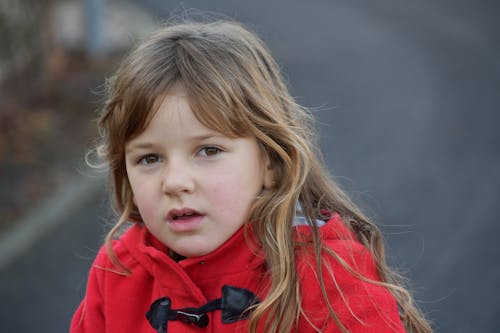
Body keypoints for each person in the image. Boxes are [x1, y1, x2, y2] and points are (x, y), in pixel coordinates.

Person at [70, 19, 432, 333]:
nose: (175, 181)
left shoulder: (327, 275)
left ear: (271, 163)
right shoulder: (117, 271)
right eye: (149, 158)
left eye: (208, 151)